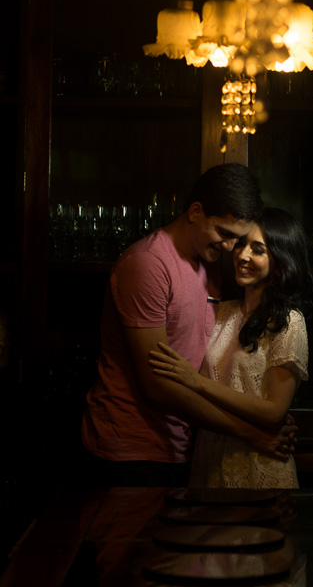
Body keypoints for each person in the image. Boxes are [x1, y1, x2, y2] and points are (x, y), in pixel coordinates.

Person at [81, 163, 296, 487]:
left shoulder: (208, 260)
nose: (230, 247)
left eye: (236, 238)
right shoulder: (148, 264)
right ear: (196, 212)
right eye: (224, 233)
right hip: (130, 447)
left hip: (183, 445)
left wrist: (267, 415)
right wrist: (250, 432)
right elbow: (157, 385)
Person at [148, 207, 313, 489]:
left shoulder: (288, 322)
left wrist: (196, 382)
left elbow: (275, 412)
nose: (243, 255)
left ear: (280, 263)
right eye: (241, 244)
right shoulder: (221, 312)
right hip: (208, 460)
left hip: (259, 464)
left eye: (257, 250)